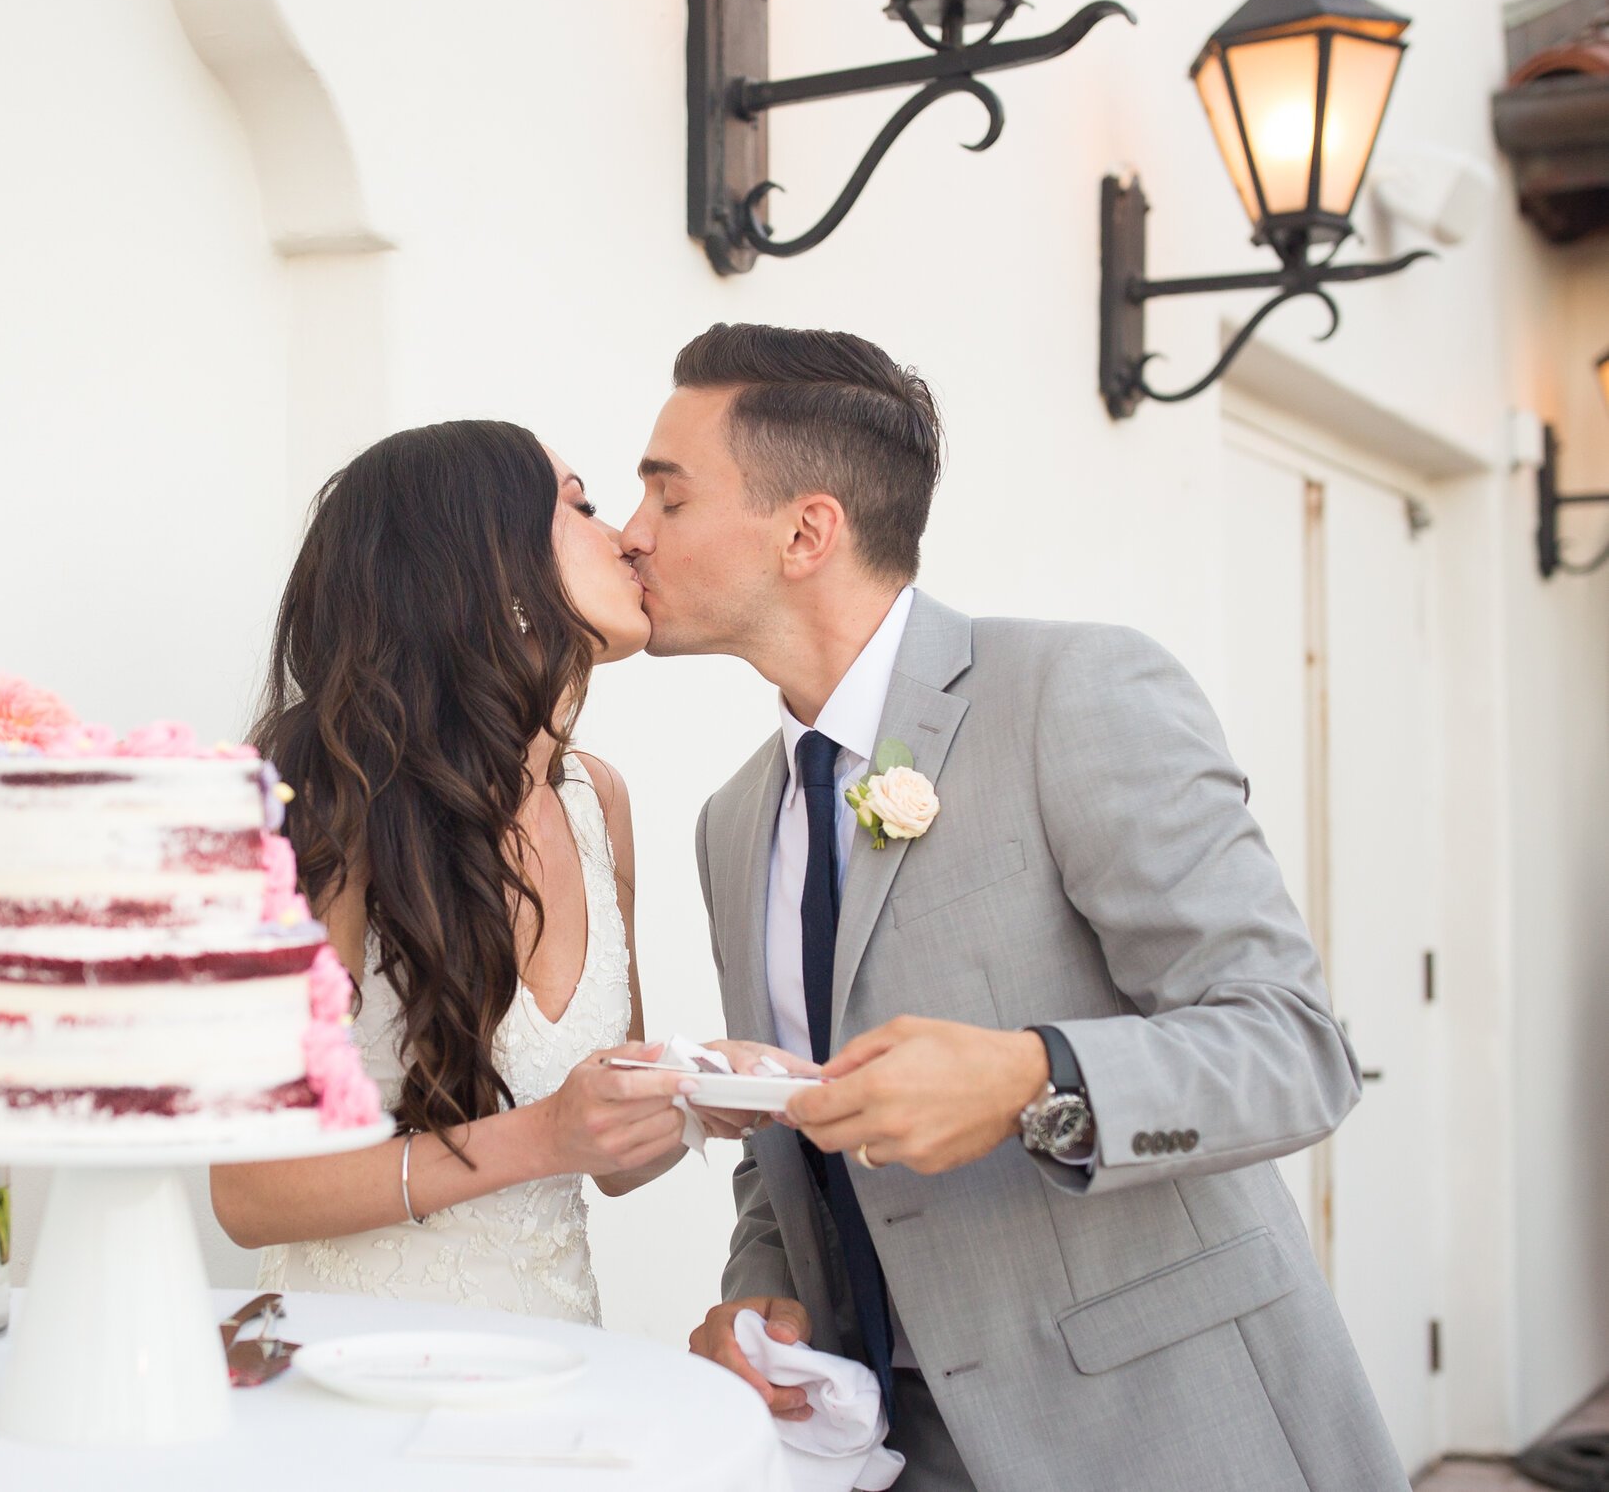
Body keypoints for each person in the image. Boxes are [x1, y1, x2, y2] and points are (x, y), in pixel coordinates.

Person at [624, 325, 1408, 1492]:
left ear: (806, 531)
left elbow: (1294, 1048)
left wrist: (1029, 1078)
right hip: (893, 1449)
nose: (631, 533)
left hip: (1164, 1433)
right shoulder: (731, 820)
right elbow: (785, 1138)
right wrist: (756, 1291)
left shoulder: (1073, 691)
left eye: (667, 497)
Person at [209, 419, 689, 1323]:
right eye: (578, 504)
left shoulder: (598, 802)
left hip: (559, 1361)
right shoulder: (327, 792)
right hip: (360, 1370)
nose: (624, 533)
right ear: (489, 565)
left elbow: (616, 1165)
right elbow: (251, 1191)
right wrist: (544, 1136)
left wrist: (703, 1095)